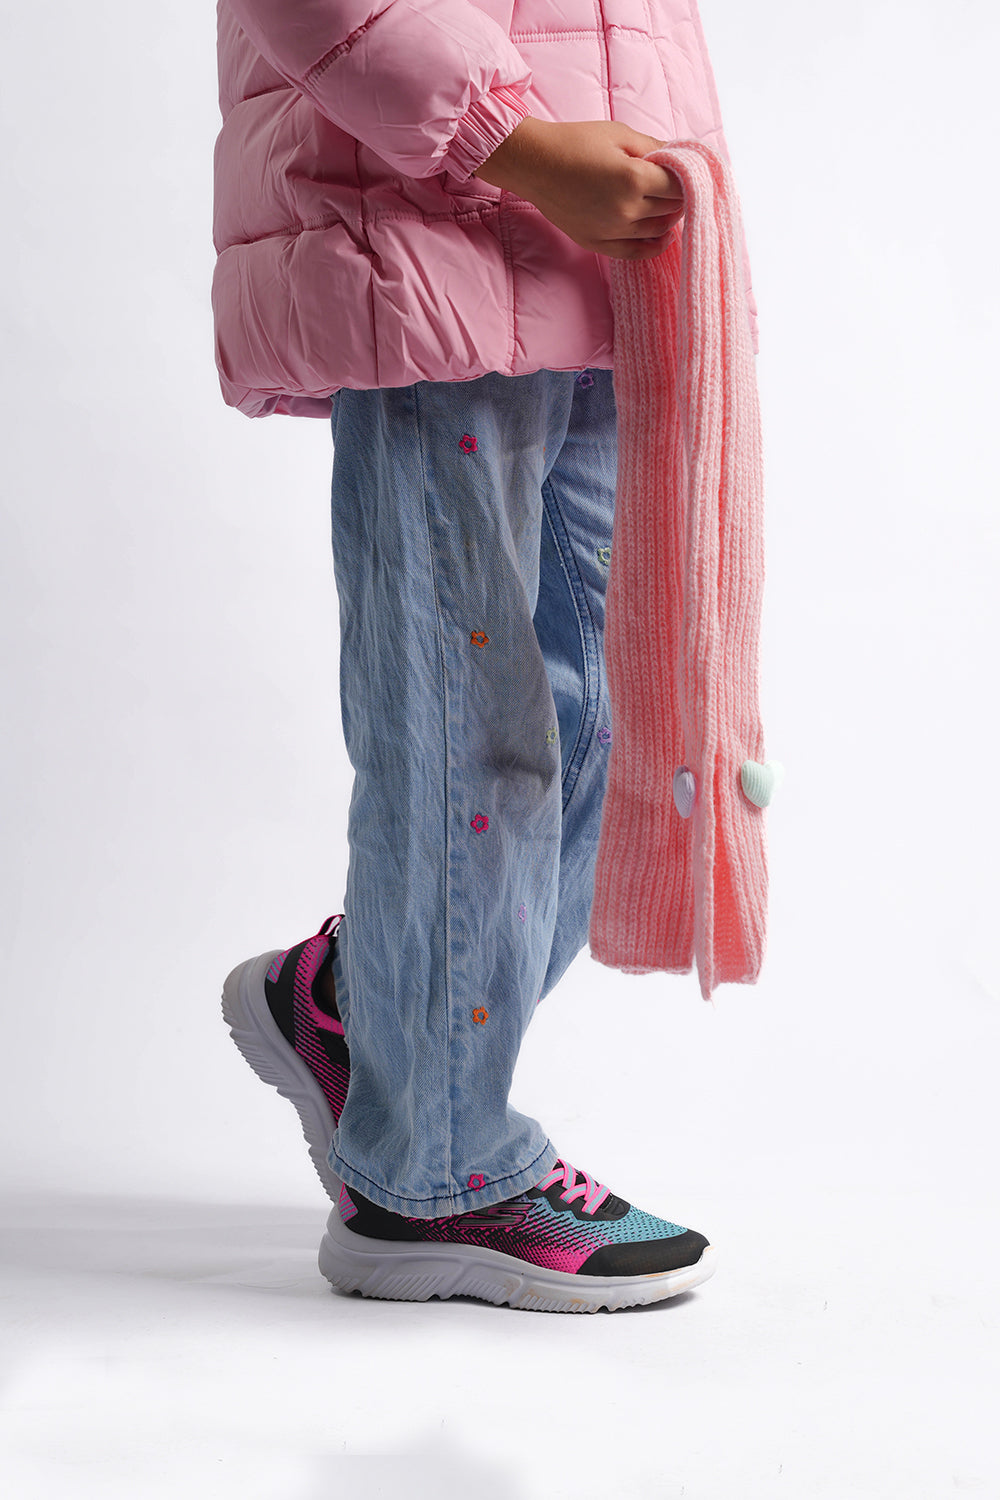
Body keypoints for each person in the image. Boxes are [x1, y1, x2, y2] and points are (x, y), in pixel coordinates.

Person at [214, 0, 757, 1314]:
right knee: (469, 742)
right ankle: (432, 1177)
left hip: (611, 271)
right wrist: (512, 142)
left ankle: (359, 1002)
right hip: (439, 236)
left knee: (614, 731)